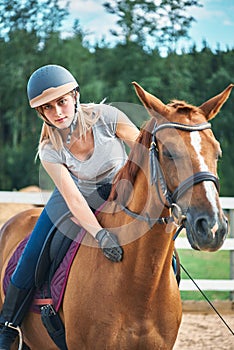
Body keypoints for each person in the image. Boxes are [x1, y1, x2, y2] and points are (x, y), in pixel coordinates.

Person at [0, 64, 139, 349]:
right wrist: (99, 234)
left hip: (116, 192)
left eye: (61, 102)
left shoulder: (109, 117)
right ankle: (8, 324)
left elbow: (142, 151)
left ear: (75, 96)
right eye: (48, 108)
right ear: (41, 113)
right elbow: (73, 198)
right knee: (31, 254)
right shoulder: (49, 149)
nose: (58, 112)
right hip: (72, 197)